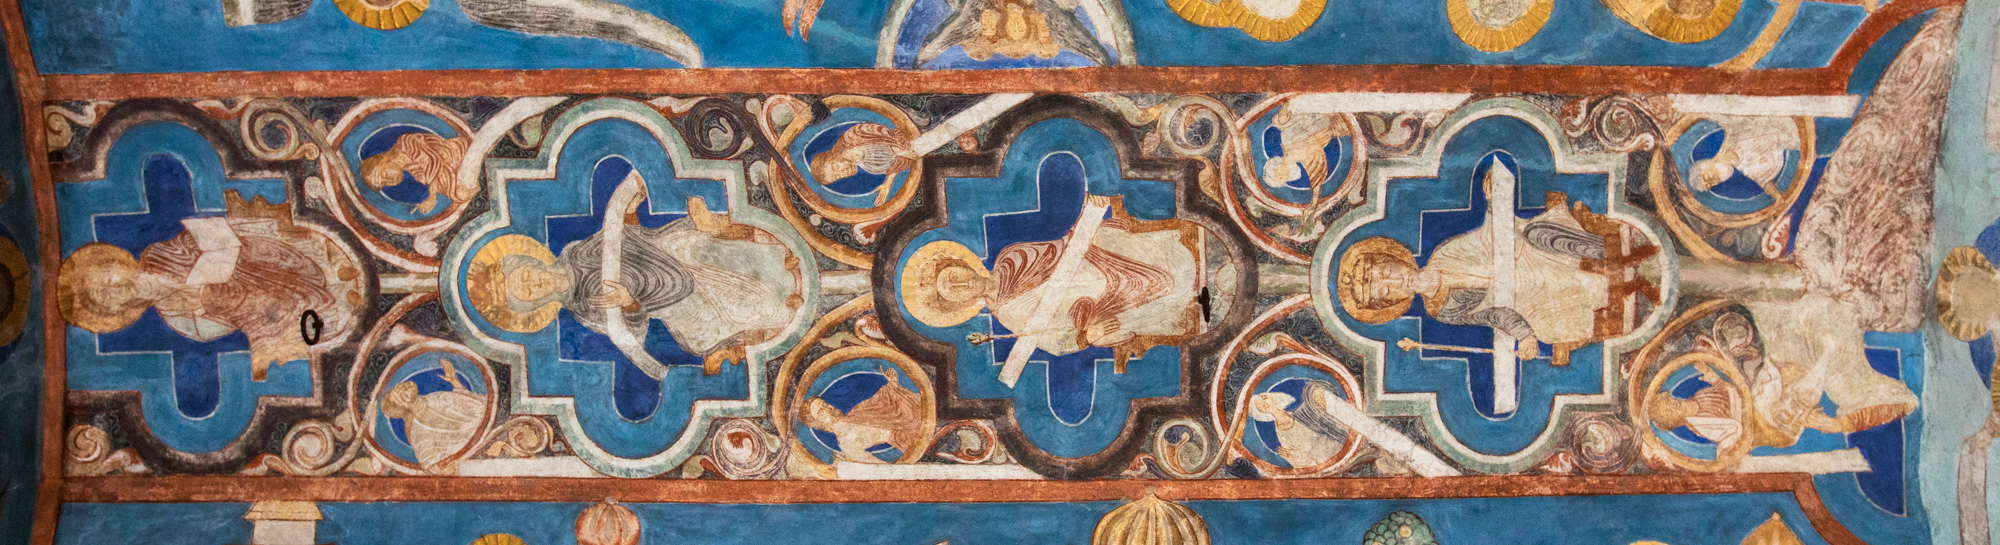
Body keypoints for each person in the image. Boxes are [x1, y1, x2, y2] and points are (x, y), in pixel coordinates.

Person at [468, 196, 802, 376]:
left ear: (531, 263)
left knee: (692, 245)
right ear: (535, 304)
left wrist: (627, 213)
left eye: (525, 276)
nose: (535, 283)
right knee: (704, 331)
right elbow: (634, 332)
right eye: (528, 292)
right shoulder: (584, 310)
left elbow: (619, 239)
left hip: (659, 252)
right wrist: (629, 303)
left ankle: (779, 258)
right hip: (671, 302)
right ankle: (781, 311)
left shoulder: (575, 252)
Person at [1336, 191, 1658, 364]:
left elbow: (1489, 238)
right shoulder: (1440, 310)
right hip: (1525, 303)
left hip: (1526, 255)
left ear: (1397, 259)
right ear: (1392, 303)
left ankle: (1618, 254)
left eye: (1387, 272)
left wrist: (1493, 204)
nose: (1396, 283)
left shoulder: (1443, 254)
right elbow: (1492, 314)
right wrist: (1524, 336)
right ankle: (1631, 288)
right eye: (1386, 292)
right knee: (1550, 320)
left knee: (1538, 233)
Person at [902, 195, 1207, 368]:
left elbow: (1060, 248)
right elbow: (1054, 342)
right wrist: (1088, 337)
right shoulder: (1008, 315)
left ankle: (1190, 256)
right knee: (1130, 302)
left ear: (963, 265)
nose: (962, 286)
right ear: (959, 305)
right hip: (1097, 307)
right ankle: (1189, 302)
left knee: (1121, 245)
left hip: (1095, 257)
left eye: (954, 277)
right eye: (953, 292)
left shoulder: (1009, 257)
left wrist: (1086, 219)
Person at [58, 216, 357, 380]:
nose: (115, 290)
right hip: (268, 309)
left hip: (262, 263)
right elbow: (233, 323)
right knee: (278, 320)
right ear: (114, 311)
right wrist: (211, 299)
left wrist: (204, 286)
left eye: (106, 280)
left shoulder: (162, 252)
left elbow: (223, 236)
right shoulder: (176, 321)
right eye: (105, 297)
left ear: (115, 264)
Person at [798, 366, 926, 463]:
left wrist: (894, 385)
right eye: (821, 413)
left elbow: (885, 400)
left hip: (918, 416)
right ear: (819, 424)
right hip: (908, 437)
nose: (828, 408)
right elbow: (882, 469)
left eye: (825, 404)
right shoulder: (848, 445)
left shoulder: (856, 412)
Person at [380, 361, 486, 473]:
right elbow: (432, 463)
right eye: (400, 393)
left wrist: (454, 381)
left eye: (398, 387)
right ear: (403, 406)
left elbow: (472, 405)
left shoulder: (434, 398)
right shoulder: (419, 434)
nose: (401, 386)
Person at [359, 131, 474, 214]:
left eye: (384, 174)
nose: (390, 181)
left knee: (460, 193)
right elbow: (438, 180)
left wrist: (432, 196)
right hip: (455, 170)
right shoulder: (412, 170)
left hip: (461, 153)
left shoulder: (406, 143)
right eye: (384, 183)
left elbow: (434, 163)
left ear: (383, 159)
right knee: (461, 194)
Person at [809, 123, 918, 206]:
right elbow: (896, 163)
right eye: (837, 177)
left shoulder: (852, 137)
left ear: (831, 156)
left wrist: (901, 149)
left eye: (835, 167)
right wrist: (887, 184)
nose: (842, 172)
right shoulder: (865, 165)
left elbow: (890, 135)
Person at [1248, 380, 1350, 468]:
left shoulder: (1299, 413)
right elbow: (1304, 467)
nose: (1270, 398)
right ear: (1266, 411)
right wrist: (1298, 455)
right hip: (1330, 460)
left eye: (1264, 396)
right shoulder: (1283, 436)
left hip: (1341, 444)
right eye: (1264, 404)